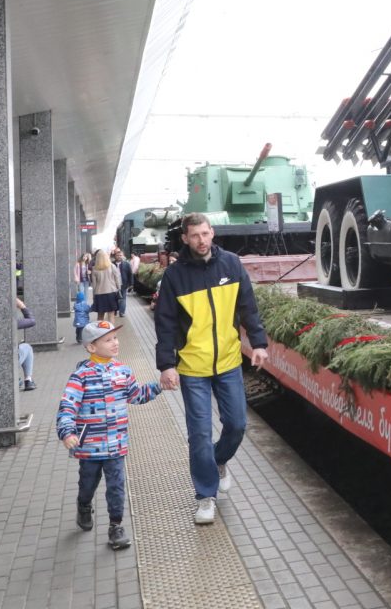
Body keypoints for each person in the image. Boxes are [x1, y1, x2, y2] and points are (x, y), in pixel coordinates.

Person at [154, 213, 269, 525]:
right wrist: (166, 365)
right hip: (192, 367)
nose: (201, 240)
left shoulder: (231, 264)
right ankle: (206, 495)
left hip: (229, 362)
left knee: (237, 425)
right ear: (186, 239)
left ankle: (219, 461)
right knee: (200, 434)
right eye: (195, 236)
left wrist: (258, 343)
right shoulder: (175, 276)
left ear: (212, 233)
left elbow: (248, 306)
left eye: (205, 234)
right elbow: (164, 322)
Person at [56, 320, 161, 550]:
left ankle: (116, 526)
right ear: (91, 347)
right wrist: (67, 433)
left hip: (116, 445)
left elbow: (136, 395)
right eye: (108, 339)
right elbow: (67, 407)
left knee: (116, 485)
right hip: (90, 448)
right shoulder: (80, 376)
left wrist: (158, 386)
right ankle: (84, 505)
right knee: (88, 483)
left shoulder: (123, 371)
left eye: (115, 338)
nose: (115, 343)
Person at [90, 250, 120, 322]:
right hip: (111, 293)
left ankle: (101, 332)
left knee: (100, 316)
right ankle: (111, 332)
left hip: (99, 294)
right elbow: (117, 279)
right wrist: (118, 288)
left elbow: (94, 285)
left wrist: (93, 296)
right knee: (111, 315)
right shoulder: (112, 266)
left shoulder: (94, 269)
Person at [16, 297, 37, 391]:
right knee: (27, 347)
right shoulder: (11, 321)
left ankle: (17, 379)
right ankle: (28, 380)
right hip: (11, 361)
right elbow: (32, 321)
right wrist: (22, 306)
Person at [114, 251, 132, 318]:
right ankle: (115, 311)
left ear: (123, 256)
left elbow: (130, 274)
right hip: (114, 284)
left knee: (123, 298)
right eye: (117, 255)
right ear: (115, 256)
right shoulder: (111, 264)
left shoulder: (126, 264)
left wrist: (131, 284)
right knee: (114, 298)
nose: (119, 256)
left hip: (123, 284)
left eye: (120, 255)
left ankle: (122, 312)